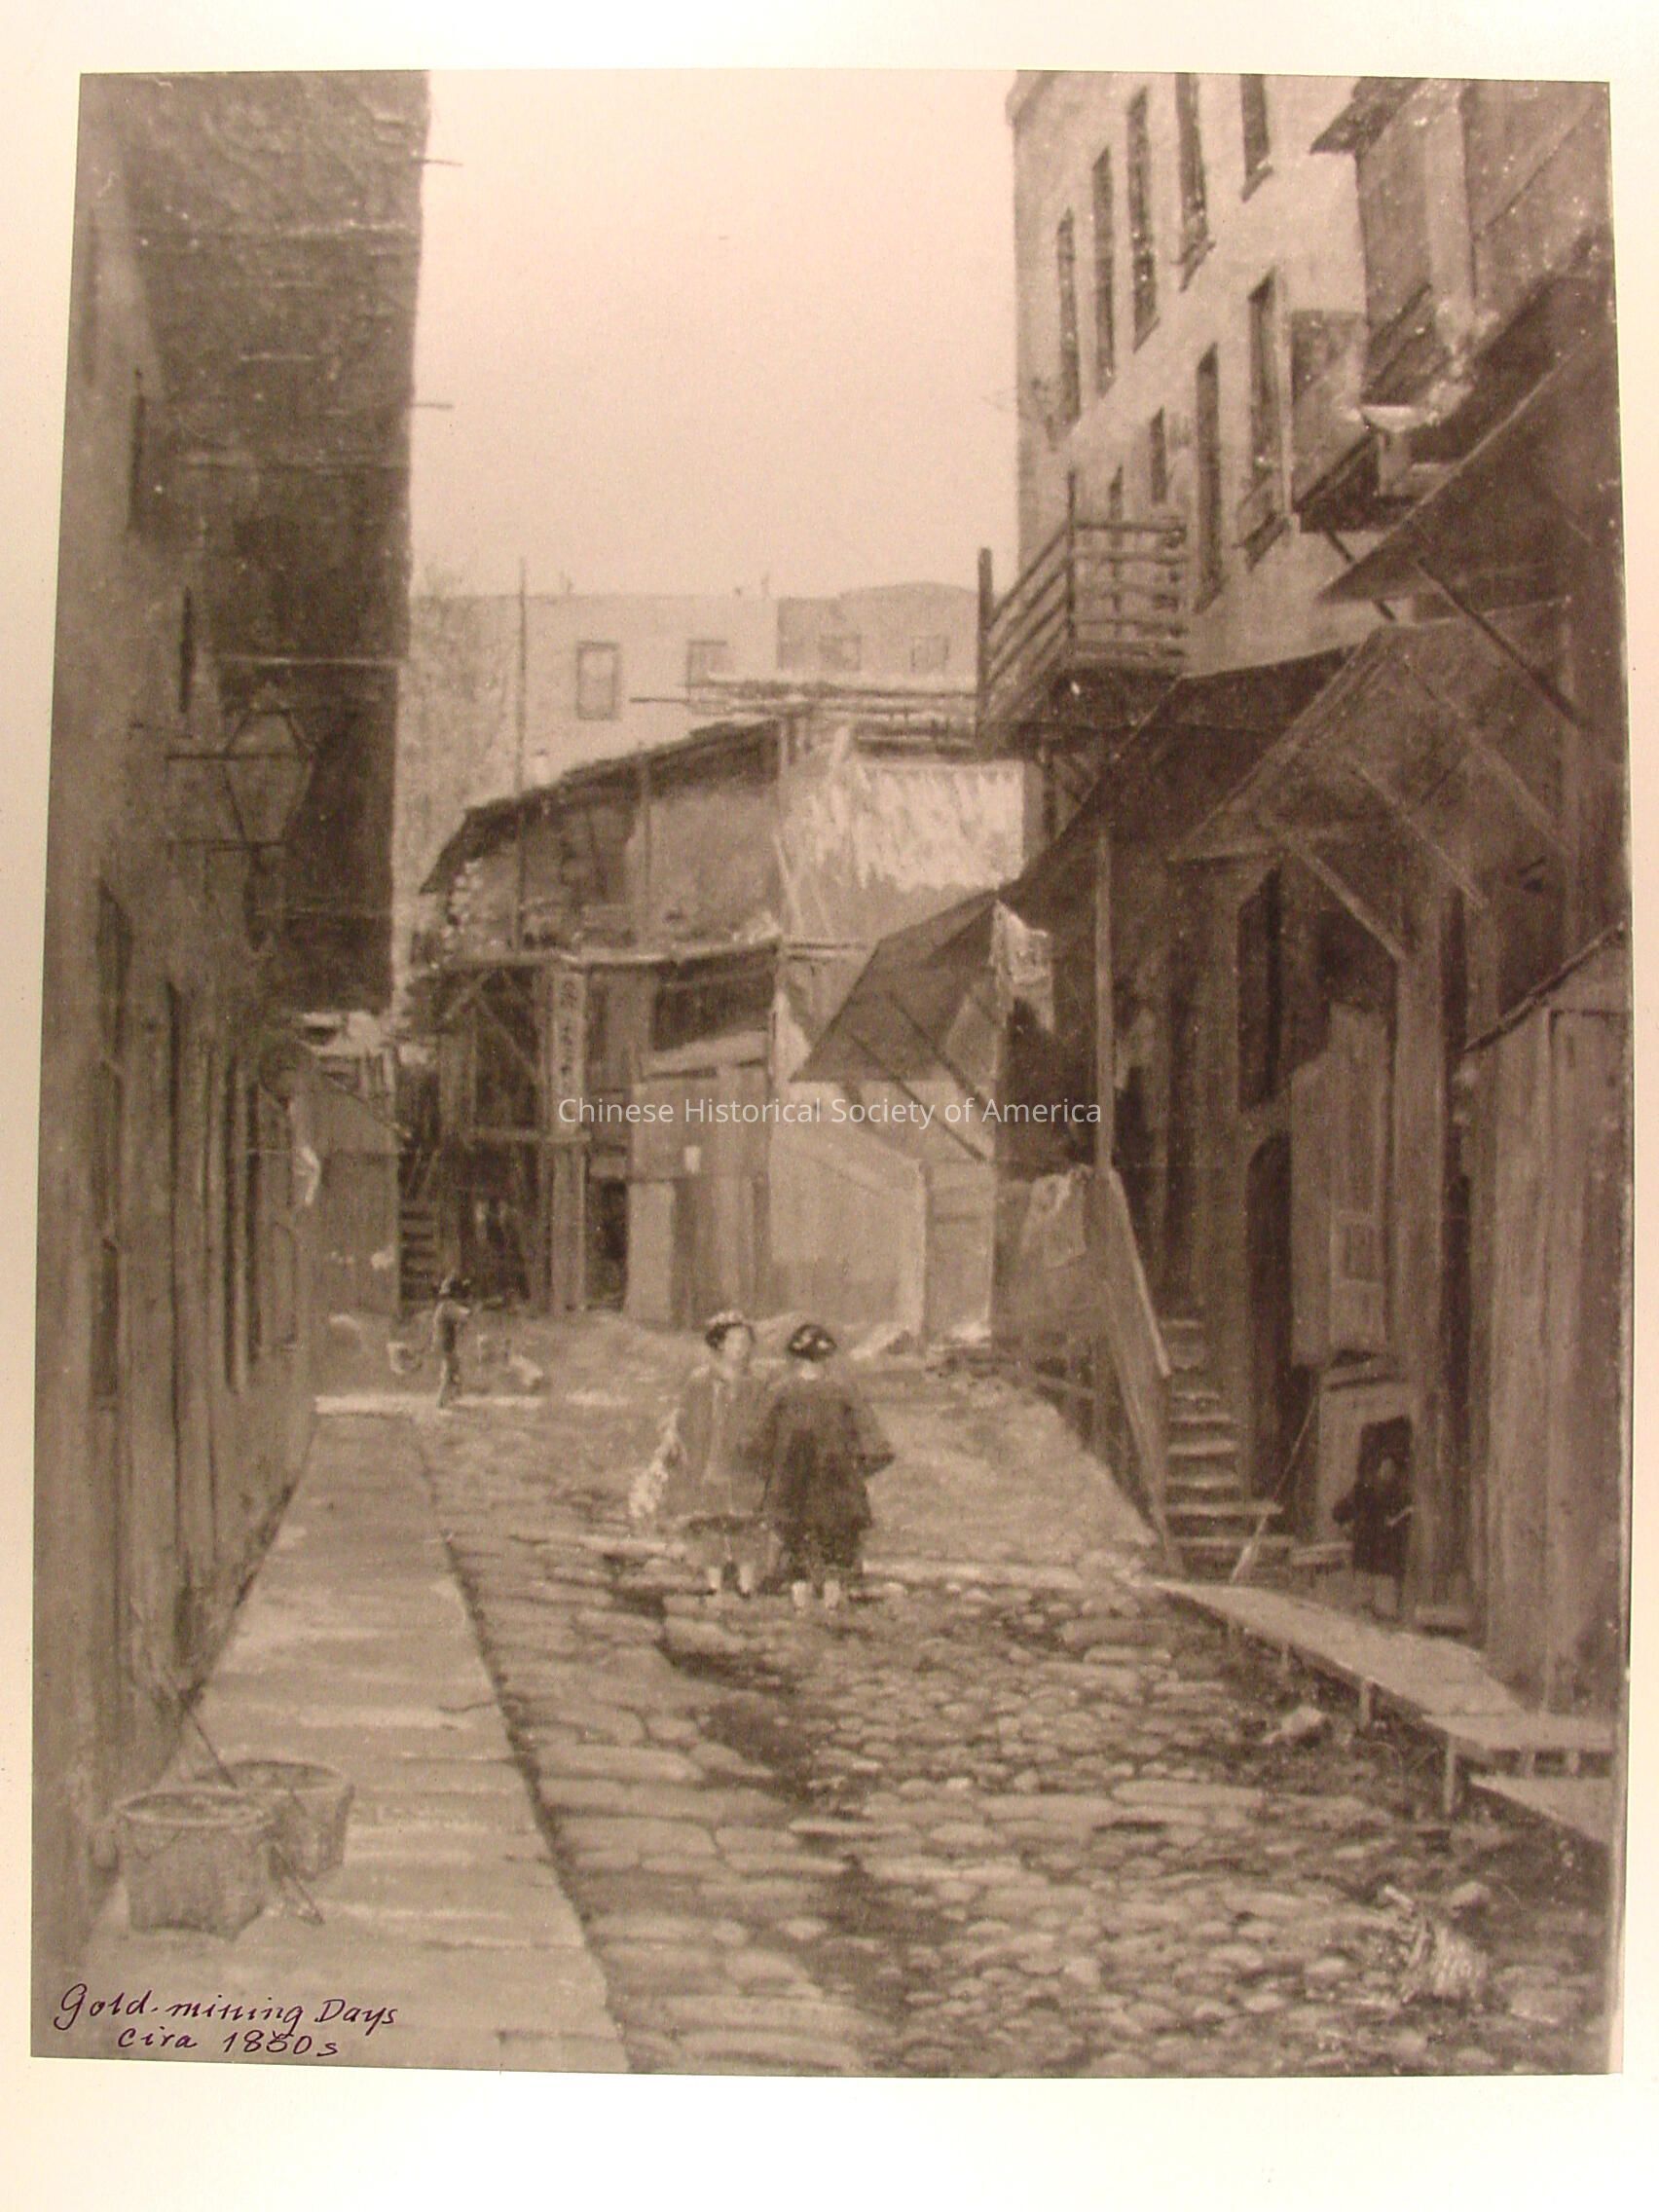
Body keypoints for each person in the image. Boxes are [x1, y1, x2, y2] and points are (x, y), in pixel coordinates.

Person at [755, 1321, 895, 1610]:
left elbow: (757, 1441)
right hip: (821, 1479)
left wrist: (769, 1469)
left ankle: (810, 1604)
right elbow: (873, 1440)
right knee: (825, 1543)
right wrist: (860, 1468)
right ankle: (823, 1604)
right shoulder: (836, 1389)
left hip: (813, 1480)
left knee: (805, 1542)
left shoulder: (786, 1389)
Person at [630, 1311, 769, 1596]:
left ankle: (746, 1585)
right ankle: (713, 1585)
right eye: (733, 1341)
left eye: (745, 1342)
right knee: (708, 1522)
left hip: (744, 1465)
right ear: (720, 1344)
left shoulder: (757, 1384)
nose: (740, 1348)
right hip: (709, 1462)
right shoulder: (699, 1381)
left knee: (747, 1523)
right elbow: (682, 1421)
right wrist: (670, 1449)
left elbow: (767, 1425)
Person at [1333, 1422, 1413, 1619]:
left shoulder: (1399, 1496)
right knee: (1363, 1611)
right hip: (1367, 1562)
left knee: (1383, 1614)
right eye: (1385, 1467)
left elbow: (1405, 1517)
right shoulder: (1364, 1490)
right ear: (1379, 1468)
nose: (1388, 1472)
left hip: (1384, 1567)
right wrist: (1345, 1526)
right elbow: (1338, 1512)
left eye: (1392, 1468)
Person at [431, 1272, 473, 1409]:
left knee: (453, 1369)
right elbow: (463, 1317)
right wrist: (470, 1311)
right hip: (446, 1344)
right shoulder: (448, 1306)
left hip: (441, 1343)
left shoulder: (443, 1306)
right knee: (450, 1372)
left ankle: (450, 1398)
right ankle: (442, 1401)